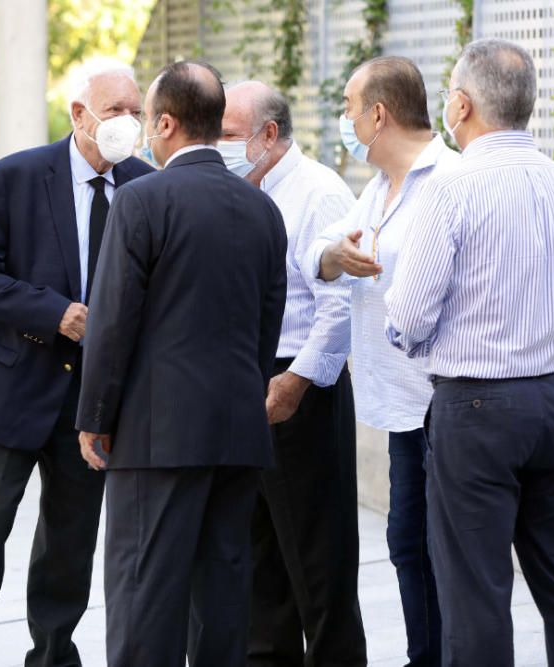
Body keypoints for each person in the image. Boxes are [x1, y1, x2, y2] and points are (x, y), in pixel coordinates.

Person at [385, 39, 554, 667]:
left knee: (476, 593)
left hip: (476, 404)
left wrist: (419, 344)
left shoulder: (450, 190)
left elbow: (407, 317)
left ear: (460, 105)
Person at [0, 58, 154, 667]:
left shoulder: (144, 183)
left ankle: (53, 655)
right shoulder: (16, 176)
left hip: (94, 398)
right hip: (12, 385)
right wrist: (53, 312)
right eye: (115, 112)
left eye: (135, 111)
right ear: (78, 115)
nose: (127, 123)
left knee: (70, 539)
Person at [77, 61, 288, 667]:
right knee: (222, 596)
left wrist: (94, 415)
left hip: (156, 435)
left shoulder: (142, 200)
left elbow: (112, 321)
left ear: (164, 123)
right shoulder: (261, 209)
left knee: (146, 595)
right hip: (236, 429)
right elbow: (264, 328)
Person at [304, 56, 462, 667]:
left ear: (378, 113)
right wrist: (336, 257)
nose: (344, 119)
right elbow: (317, 254)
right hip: (398, 405)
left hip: (442, 399)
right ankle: (425, 654)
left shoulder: (449, 180)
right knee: (407, 544)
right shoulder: (377, 188)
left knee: (434, 548)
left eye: (348, 107)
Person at [219, 80, 366, 667]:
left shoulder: (317, 192)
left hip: (301, 388)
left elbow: (340, 305)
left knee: (318, 562)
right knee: (259, 560)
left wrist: (295, 382)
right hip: (248, 384)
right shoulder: (242, 188)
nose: (219, 146)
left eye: (229, 135)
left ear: (269, 135)